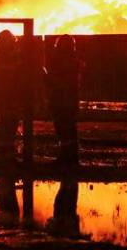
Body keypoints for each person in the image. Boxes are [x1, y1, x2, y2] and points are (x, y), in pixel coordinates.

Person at [46, 35, 82, 165]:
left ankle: (67, 156)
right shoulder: (73, 61)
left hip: (62, 100)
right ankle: (70, 156)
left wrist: (47, 78)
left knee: (63, 128)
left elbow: (58, 81)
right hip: (68, 100)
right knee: (68, 128)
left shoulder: (63, 62)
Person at [0, 30, 21, 161]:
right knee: (9, 124)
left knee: (4, 124)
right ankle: (7, 154)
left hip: (3, 97)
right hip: (10, 97)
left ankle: (2, 153)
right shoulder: (13, 58)